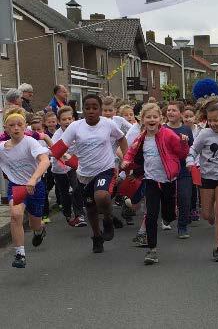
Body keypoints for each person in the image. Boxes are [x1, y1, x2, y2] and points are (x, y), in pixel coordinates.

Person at [50, 94, 128, 253]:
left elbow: (121, 138)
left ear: (100, 110)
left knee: (101, 196)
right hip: (84, 174)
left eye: (95, 108)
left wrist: (127, 159)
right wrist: (48, 154)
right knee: (91, 208)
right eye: (87, 108)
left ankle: (107, 219)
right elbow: (60, 149)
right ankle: (97, 236)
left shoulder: (108, 124)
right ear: (82, 110)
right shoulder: (75, 127)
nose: (91, 111)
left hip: (105, 169)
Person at [121, 103, 190, 265]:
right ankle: (152, 250)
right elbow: (131, 152)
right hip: (150, 180)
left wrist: (183, 143)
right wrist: (126, 161)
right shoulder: (141, 138)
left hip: (168, 180)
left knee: (168, 215)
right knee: (151, 215)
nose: (152, 120)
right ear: (142, 120)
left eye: (155, 117)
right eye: (148, 117)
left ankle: (171, 213)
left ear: (161, 119)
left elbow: (182, 153)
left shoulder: (168, 134)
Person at [1, 108, 51, 268]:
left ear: (25, 127)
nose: (16, 128)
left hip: (35, 186)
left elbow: (45, 161)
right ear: (6, 128)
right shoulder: (2, 147)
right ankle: (20, 254)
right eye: (12, 125)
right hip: (16, 186)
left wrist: (33, 179)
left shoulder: (30, 142)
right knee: (15, 215)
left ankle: (39, 230)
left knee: (34, 223)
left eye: (19, 125)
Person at [186, 100, 218, 262]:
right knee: (207, 215)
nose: (212, 124)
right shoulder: (205, 134)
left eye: (216, 120)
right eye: (209, 120)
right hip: (207, 177)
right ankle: (211, 216)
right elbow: (193, 150)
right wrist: (190, 161)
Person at [164, 101, 195, 238]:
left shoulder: (186, 129)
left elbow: (192, 148)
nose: (170, 112)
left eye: (174, 110)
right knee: (167, 199)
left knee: (185, 197)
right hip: (166, 169)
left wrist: (191, 162)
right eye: (169, 110)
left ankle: (182, 227)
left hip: (183, 169)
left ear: (181, 114)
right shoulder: (162, 129)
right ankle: (167, 216)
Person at [51, 106, 86, 227]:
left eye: (69, 118)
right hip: (59, 168)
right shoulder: (57, 135)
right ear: (59, 121)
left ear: (73, 119)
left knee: (76, 188)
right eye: (64, 119)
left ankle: (79, 215)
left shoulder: (78, 130)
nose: (67, 121)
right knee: (64, 193)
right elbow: (55, 152)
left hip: (73, 166)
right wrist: (66, 158)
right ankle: (67, 212)